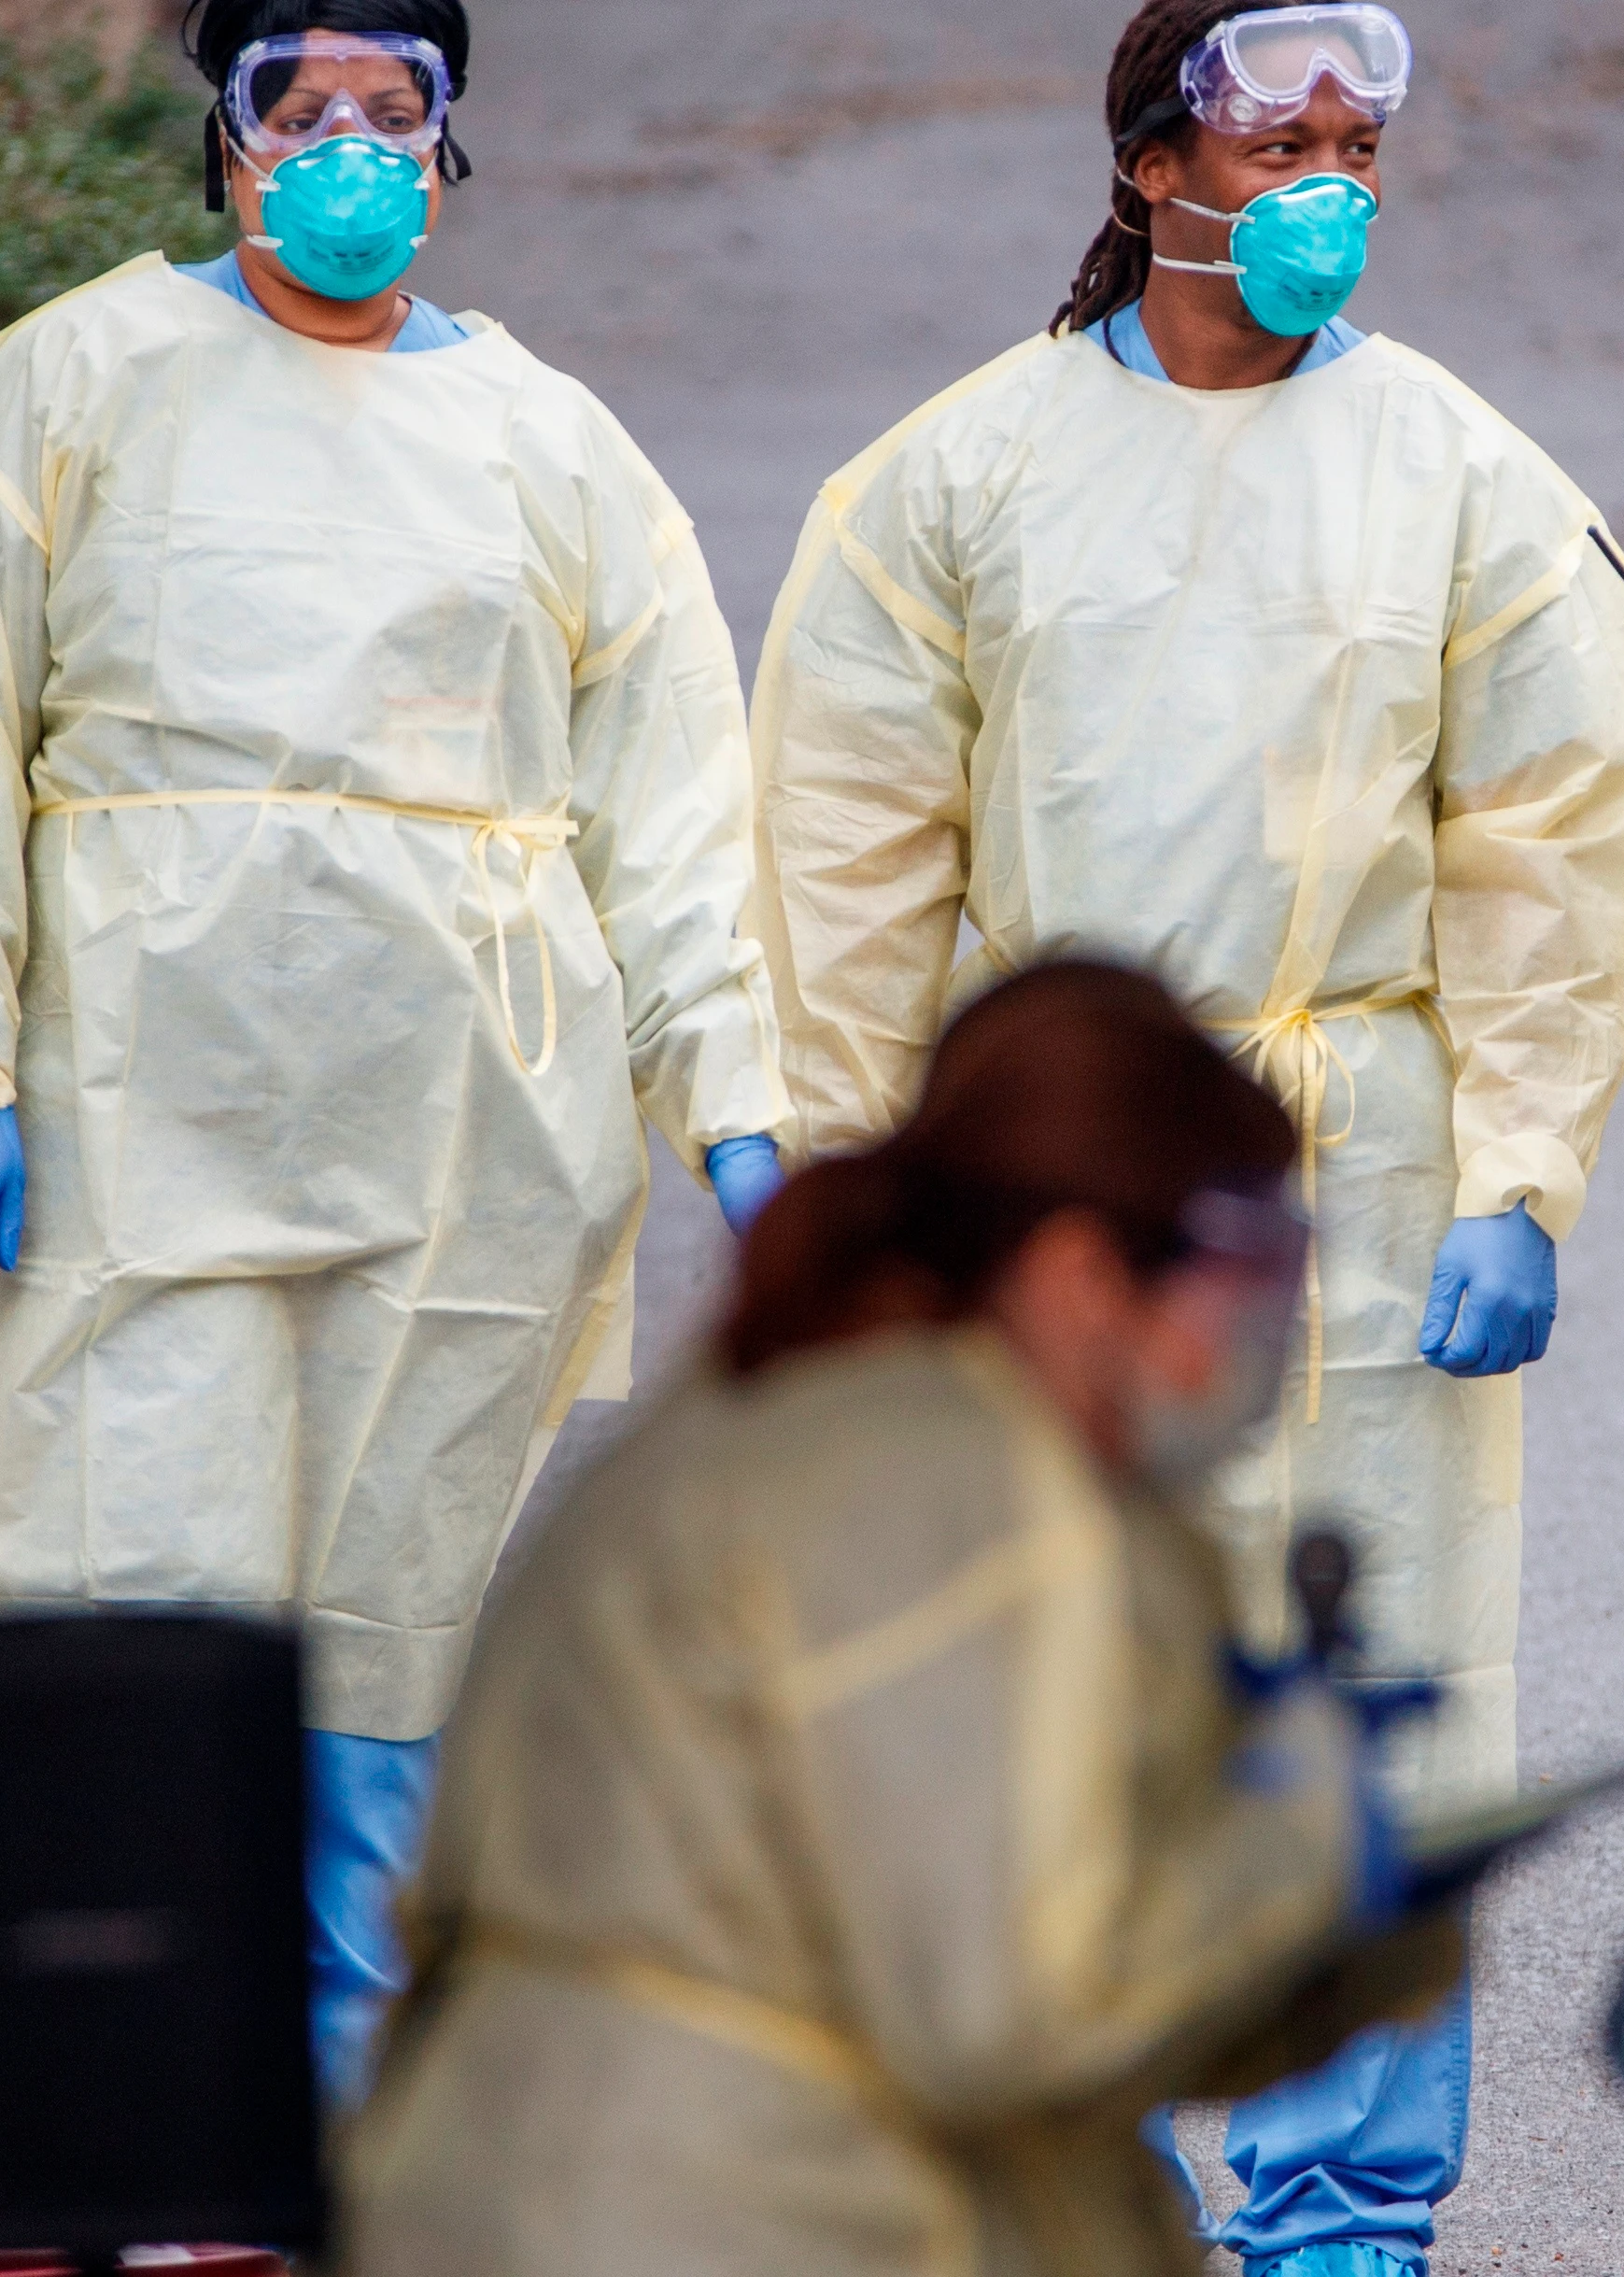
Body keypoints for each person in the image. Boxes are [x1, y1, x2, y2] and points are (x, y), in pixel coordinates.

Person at [747, 7, 1624, 2266]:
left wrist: (1519, 1171)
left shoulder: (1457, 472)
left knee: (1355, 1715)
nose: (1330, 187)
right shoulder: (955, 482)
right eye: (1285, 142)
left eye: (1364, 145)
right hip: (1052, 1192)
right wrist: (841, 1177)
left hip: (1347, 1166)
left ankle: (1345, 2212)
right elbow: (846, 850)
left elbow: (1557, 830)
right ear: (1155, 165)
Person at [0, 0, 787, 2105]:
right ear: (226, 124)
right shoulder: (50, 394)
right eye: (305, 103)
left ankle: (352, 2156)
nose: (350, 145)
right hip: (123, 1126)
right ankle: (103, 2140)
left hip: (467, 1138)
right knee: (116, 1615)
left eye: (399, 105)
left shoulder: (552, 446)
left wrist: (737, 1108)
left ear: (451, 140)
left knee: (382, 1654)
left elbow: (669, 799)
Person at [341, 962, 1462, 2277]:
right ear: (1081, 1275)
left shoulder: (840, 1408)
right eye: (1246, 1267)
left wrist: (1345, 1952)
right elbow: (1024, 2009)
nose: (1272, 1321)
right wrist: (1311, 1826)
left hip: (557, 2182)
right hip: (700, 2210)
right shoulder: (956, 1485)